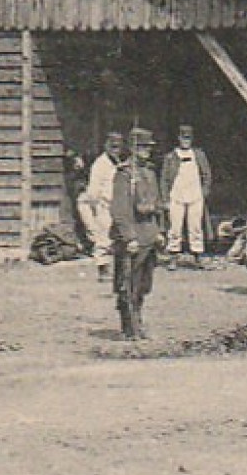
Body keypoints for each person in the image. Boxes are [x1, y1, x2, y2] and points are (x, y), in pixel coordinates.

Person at [110, 128, 163, 339]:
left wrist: (159, 231)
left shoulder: (149, 172)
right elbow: (120, 209)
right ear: (132, 149)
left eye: (148, 148)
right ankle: (129, 327)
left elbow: (157, 204)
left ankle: (138, 320)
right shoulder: (124, 174)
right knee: (128, 283)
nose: (146, 151)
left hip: (148, 235)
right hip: (133, 237)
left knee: (144, 284)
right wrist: (128, 236)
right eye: (142, 147)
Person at [160, 124, 212, 265]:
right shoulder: (171, 156)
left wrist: (204, 191)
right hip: (176, 196)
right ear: (179, 138)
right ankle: (173, 257)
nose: (186, 141)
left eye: (188, 138)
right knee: (175, 227)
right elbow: (164, 179)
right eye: (183, 138)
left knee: (195, 226)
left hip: (195, 195)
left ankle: (197, 255)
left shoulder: (199, 155)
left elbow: (207, 174)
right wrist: (165, 198)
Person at [78, 132, 125, 280]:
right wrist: (97, 206)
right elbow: (93, 191)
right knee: (103, 237)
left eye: (118, 147)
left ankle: (117, 269)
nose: (115, 149)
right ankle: (103, 268)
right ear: (107, 146)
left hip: (117, 205)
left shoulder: (117, 162)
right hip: (103, 205)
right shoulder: (100, 164)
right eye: (113, 146)